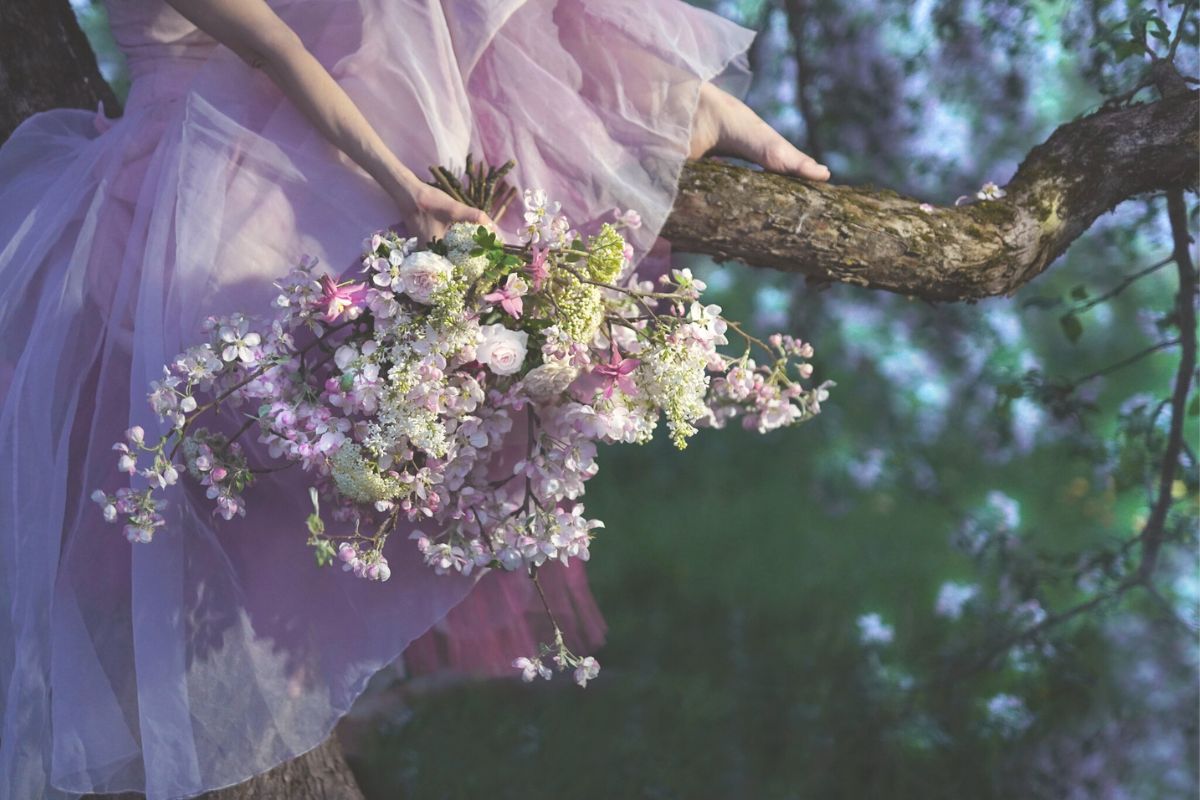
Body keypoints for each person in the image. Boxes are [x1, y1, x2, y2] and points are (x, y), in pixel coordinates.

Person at [0, 1, 828, 797]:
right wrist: (402, 183)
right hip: (208, 169)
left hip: (276, 127)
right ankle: (637, 135)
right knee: (350, 361)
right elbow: (273, 50)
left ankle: (669, 109)